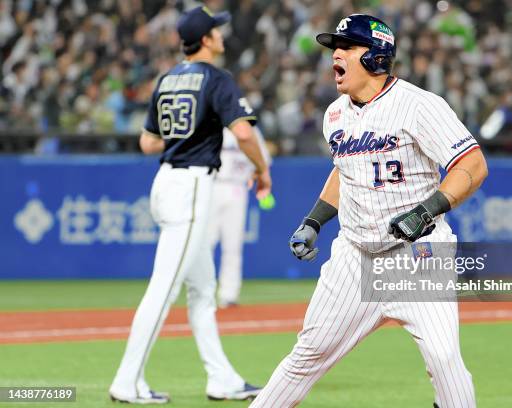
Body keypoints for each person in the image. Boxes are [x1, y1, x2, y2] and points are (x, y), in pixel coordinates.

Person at [250, 14, 487, 408]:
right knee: (307, 356)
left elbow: (472, 165)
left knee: (445, 361)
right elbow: (345, 171)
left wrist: (426, 210)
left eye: (346, 48)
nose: (335, 56)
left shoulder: (419, 105)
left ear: (376, 58)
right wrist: (314, 221)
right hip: (354, 257)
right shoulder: (335, 114)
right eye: (334, 48)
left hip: (417, 257)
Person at [109, 6, 271, 404]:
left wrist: (184, 134)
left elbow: (147, 142)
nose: (220, 35)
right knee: (163, 290)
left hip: (166, 183)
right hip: (193, 186)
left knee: (203, 289)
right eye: (215, 30)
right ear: (205, 39)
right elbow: (245, 134)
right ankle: (126, 382)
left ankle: (223, 380)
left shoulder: (166, 80)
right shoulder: (217, 79)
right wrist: (262, 170)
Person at [207, 127, 271, 308]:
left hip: (237, 187)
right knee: (206, 244)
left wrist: (259, 176)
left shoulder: (251, 131)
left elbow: (263, 160)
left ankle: (229, 295)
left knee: (233, 246)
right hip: (211, 186)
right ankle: (205, 294)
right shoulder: (211, 124)